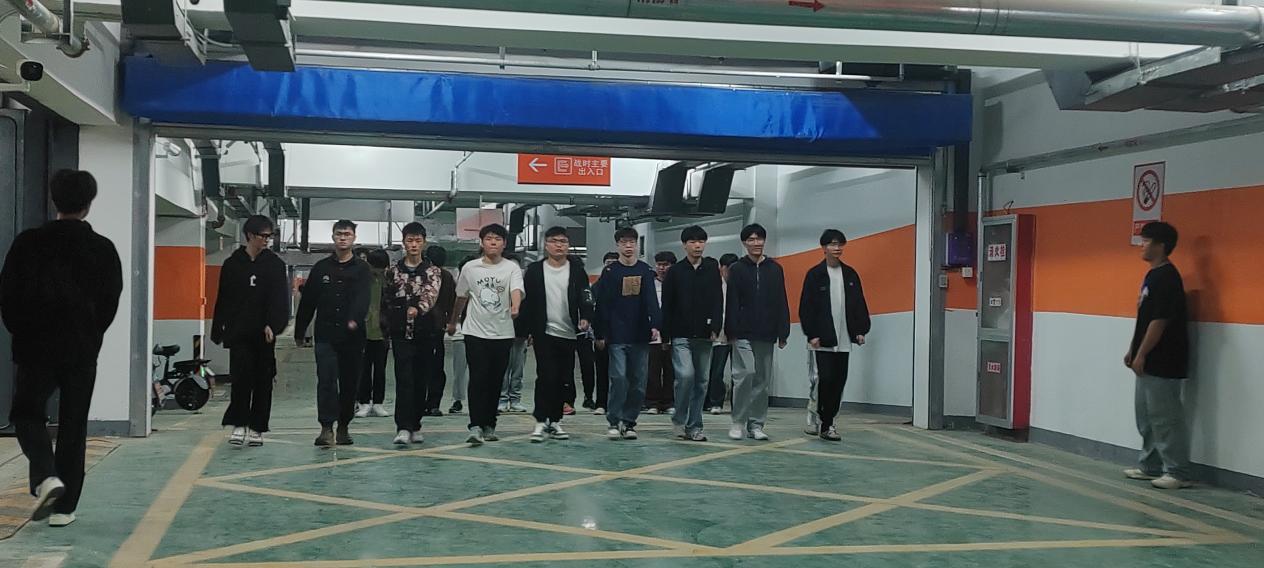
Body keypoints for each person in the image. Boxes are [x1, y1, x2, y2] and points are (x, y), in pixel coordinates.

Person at [1, 170, 122, 527]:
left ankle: (45, 474)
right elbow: (110, 302)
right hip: (81, 349)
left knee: (26, 413)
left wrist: (22, 332)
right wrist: (91, 334)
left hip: (35, 346)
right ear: (88, 204)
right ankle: (65, 510)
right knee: (73, 425)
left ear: (54, 200)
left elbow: (7, 295)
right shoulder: (103, 249)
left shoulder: (27, 244)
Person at [210, 214, 290, 448]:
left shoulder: (275, 265)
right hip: (238, 332)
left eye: (269, 236)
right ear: (249, 235)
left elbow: (280, 300)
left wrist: (274, 324)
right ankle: (239, 423)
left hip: (264, 335)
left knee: (263, 381)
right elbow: (223, 298)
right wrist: (219, 328)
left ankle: (257, 427)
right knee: (240, 379)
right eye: (262, 236)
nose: (266, 240)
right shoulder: (232, 264)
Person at [1123, 221, 1192, 490]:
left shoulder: (1167, 278)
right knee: (1146, 417)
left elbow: (1160, 321)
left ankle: (1177, 471)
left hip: (1164, 360)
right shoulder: (1152, 276)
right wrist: (1133, 350)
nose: (1141, 245)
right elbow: (1144, 319)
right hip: (1147, 359)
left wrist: (1142, 354)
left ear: (1161, 245)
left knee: (1166, 418)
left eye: (1146, 241)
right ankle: (1149, 466)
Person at [295, 220, 371, 447]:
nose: (343, 238)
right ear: (333, 237)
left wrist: (354, 319)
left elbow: (363, 298)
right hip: (326, 334)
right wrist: (300, 330)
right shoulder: (321, 268)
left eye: (347, 234)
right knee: (326, 381)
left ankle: (344, 426)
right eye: (339, 234)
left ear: (354, 238)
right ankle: (326, 428)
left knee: (349, 383)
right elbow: (308, 301)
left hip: (352, 337)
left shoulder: (362, 269)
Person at [448, 224, 524, 446]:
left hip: (503, 332)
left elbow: (516, 290)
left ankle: (490, 423)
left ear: (504, 243)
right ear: (481, 242)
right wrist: (453, 321)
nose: (493, 242)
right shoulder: (470, 268)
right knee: (478, 378)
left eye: (497, 239)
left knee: (495, 380)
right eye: (489, 238)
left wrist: (515, 306)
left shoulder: (511, 268)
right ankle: (475, 425)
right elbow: (461, 296)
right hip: (475, 332)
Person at [520, 227, 593, 442]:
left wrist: (586, 317)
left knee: (564, 378)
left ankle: (555, 420)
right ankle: (540, 420)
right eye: (554, 241)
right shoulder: (534, 270)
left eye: (563, 241)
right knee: (546, 376)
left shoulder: (577, 270)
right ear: (546, 245)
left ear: (568, 245)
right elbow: (527, 302)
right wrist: (527, 330)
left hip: (569, 332)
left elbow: (586, 296)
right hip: (544, 331)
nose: (559, 245)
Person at [798, 229, 872, 442]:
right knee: (823, 379)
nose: (837, 248)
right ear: (823, 248)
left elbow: (859, 303)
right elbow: (807, 307)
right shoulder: (815, 274)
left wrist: (860, 330)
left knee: (839, 381)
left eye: (840, 244)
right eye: (832, 244)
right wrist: (812, 334)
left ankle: (829, 423)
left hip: (844, 340)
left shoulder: (850, 274)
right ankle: (818, 419)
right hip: (821, 340)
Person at [593, 227, 662, 440]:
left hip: (640, 334)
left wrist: (655, 324)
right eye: (624, 242)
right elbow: (602, 304)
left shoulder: (645, 270)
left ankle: (629, 422)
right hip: (616, 335)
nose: (629, 246)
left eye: (632, 242)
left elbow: (651, 300)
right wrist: (600, 333)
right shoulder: (610, 272)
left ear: (637, 245)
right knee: (619, 378)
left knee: (639, 382)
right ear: (618, 245)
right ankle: (614, 420)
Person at [725, 223, 790, 441]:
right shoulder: (737, 269)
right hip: (742, 332)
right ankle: (738, 422)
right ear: (744, 243)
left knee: (762, 381)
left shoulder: (775, 269)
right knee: (745, 374)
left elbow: (781, 300)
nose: (756, 243)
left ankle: (756, 424)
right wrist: (730, 330)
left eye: (759, 239)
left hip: (767, 331)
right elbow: (732, 301)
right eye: (751, 239)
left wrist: (783, 330)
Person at [382, 223, 443, 445]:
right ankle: (403, 426)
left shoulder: (432, 272)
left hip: (426, 332)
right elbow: (386, 299)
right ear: (404, 242)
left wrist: (418, 308)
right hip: (400, 334)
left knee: (421, 379)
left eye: (418, 240)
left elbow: (431, 295)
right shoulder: (393, 271)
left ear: (423, 242)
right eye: (410, 240)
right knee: (404, 379)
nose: (414, 245)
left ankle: (416, 424)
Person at [661, 227, 723, 442]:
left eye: (701, 241)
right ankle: (679, 419)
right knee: (686, 376)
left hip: (705, 335)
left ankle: (695, 425)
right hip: (681, 335)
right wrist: (665, 335)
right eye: (693, 242)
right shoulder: (676, 272)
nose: (697, 245)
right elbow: (667, 305)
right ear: (684, 245)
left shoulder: (711, 269)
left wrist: (716, 326)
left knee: (701, 381)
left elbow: (717, 299)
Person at [355, 249, 392, 419]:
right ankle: (364, 402)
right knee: (363, 369)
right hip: (363, 331)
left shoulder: (389, 282)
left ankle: (378, 402)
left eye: (382, 268)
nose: (378, 271)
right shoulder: (361, 280)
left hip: (382, 332)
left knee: (380, 370)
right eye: (376, 268)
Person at [420, 245, 456, 416]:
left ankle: (422, 403)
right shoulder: (447, 276)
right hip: (437, 327)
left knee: (421, 366)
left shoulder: (423, 274)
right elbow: (452, 301)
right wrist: (450, 321)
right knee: (436, 367)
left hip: (423, 324)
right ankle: (434, 403)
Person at [645, 251, 677, 415]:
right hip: (654, 333)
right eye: (659, 264)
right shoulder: (650, 284)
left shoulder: (677, 284)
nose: (662, 268)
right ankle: (652, 402)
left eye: (666, 265)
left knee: (670, 369)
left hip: (672, 333)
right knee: (653, 369)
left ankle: (669, 402)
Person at [707, 253, 740, 414]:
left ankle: (737, 403)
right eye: (728, 270)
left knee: (738, 371)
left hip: (737, 333)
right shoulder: (714, 286)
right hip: (719, 333)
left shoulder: (740, 285)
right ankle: (716, 402)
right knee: (717, 370)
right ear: (721, 268)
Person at [447, 255, 479, 415]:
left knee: (480, 369)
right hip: (461, 333)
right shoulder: (456, 287)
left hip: (480, 332)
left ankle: (481, 400)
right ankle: (457, 400)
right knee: (459, 369)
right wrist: (452, 323)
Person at [499, 253, 530, 414]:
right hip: (501, 333)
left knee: (518, 370)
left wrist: (530, 332)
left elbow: (532, 311)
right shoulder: (499, 286)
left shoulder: (525, 288)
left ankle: (515, 399)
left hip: (521, 334)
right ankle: (502, 399)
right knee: (503, 369)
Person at [591, 251, 619, 415]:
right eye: (608, 263)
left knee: (620, 373)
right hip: (602, 335)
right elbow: (595, 312)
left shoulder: (625, 285)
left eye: (614, 263)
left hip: (622, 335)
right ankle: (601, 403)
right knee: (602, 371)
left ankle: (618, 403)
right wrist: (598, 335)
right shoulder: (596, 287)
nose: (611, 266)